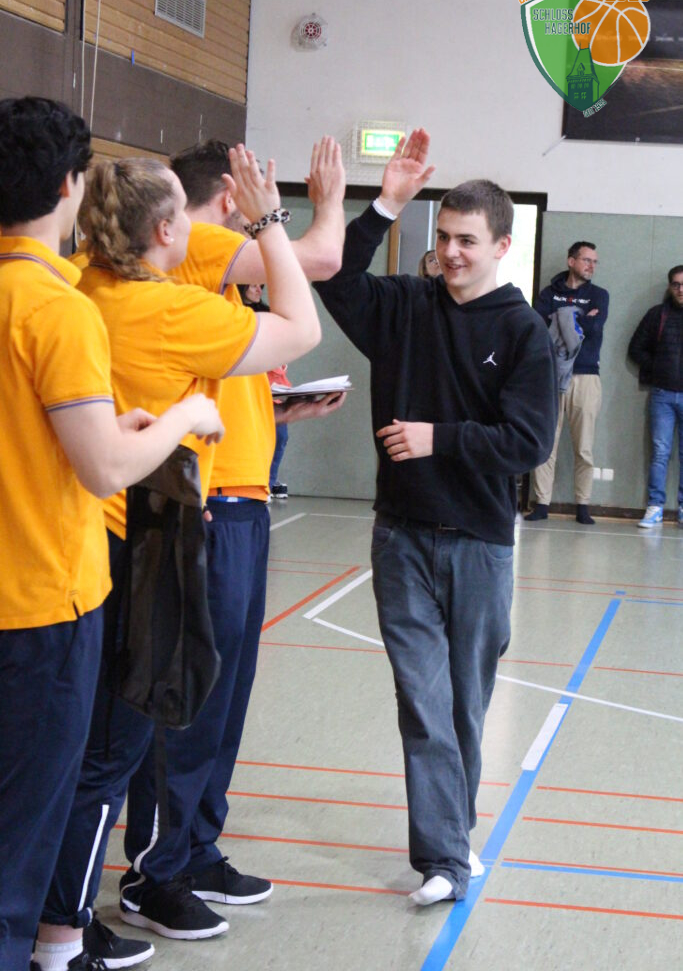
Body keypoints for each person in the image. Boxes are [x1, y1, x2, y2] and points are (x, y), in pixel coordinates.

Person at [35, 146, 322, 968]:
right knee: (111, 751)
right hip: (139, 542)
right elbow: (300, 325)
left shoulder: (78, 287)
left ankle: (57, 916)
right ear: (167, 230)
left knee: (73, 744)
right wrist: (269, 222)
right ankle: (62, 932)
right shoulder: (165, 309)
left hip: (80, 537)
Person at [0, 97, 223, 971]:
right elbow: (102, 471)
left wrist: (107, 426)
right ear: (66, 186)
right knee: (19, 846)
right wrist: (181, 420)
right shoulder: (55, 308)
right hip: (39, 608)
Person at [313, 129, 557, 906]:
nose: (450, 252)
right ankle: (444, 859)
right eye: (443, 236)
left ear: (500, 247)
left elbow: (527, 443)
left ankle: (453, 837)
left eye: (466, 241)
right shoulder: (403, 307)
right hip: (400, 537)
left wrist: (437, 438)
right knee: (421, 703)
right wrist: (384, 204)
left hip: (479, 545)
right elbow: (334, 275)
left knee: (462, 706)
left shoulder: (522, 332)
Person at [118, 137, 346, 940]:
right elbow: (321, 261)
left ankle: (195, 846)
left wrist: (282, 411)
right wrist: (317, 207)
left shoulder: (216, 277)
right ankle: (155, 870)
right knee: (188, 700)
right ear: (224, 194)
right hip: (204, 504)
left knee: (225, 697)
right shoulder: (200, 246)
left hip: (243, 500)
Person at [525, 241, 609, 525]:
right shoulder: (549, 293)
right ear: (571, 261)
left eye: (595, 261)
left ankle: (582, 505)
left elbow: (594, 328)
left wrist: (561, 318)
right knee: (547, 442)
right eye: (586, 260)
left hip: (586, 376)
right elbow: (540, 329)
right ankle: (542, 504)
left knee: (584, 447)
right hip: (550, 376)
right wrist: (578, 319)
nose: (591, 266)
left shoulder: (599, 295)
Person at [628, 265, 683, 528]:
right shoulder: (657, 315)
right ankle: (655, 507)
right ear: (670, 287)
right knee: (660, 453)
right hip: (662, 395)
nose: (681, 289)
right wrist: (657, 368)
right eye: (676, 284)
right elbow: (635, 348)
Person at [238, 283, 292, 498]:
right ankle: (259, 481)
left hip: (273, 384)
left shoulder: (268, 313)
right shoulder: (236, 314)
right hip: (247, 383)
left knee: (280, 435)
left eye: (260, 285)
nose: (258, 289)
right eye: (252, 285)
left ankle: (269, 480)